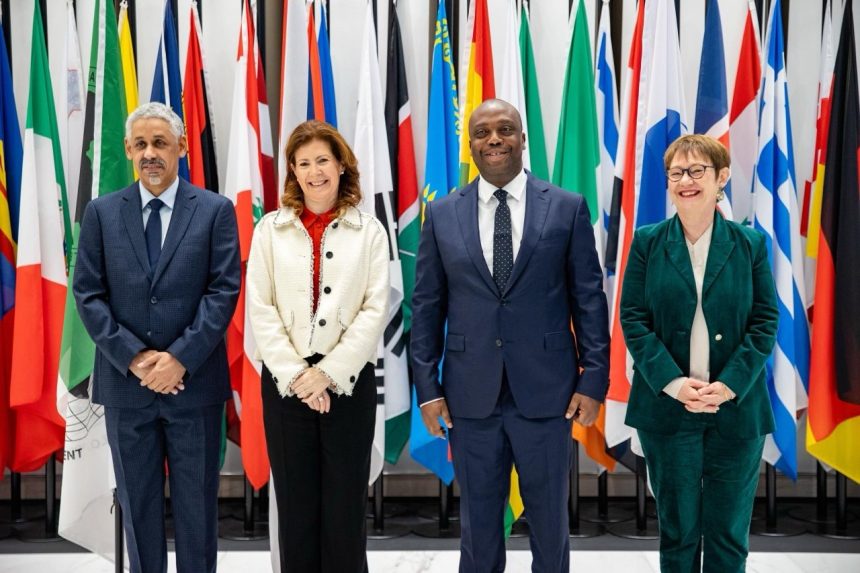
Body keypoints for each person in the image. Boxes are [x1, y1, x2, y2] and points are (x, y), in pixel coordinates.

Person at [411, 99, 610, 572]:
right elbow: (426, 307)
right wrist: (428, 389)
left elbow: (588, 300)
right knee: (478, 528)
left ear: (522, 138)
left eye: (504, 129)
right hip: (469, 394)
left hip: (548, 392)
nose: (494, 139)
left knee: (550, 524)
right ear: (471, 145)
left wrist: (593, 380)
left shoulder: (565, 207)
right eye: (482, 132)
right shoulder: (441, 214)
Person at [73, 102, 241, 573]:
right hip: (127, 388)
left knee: (197, 511)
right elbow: (88, 294)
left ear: (181, 147)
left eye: (160, 143)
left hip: (195, 387)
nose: (150, 153)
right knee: (138, 510)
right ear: (128, 149)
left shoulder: (215, 211)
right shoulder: (102, 213)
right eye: (141, 144)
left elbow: (223, 291)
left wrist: (179, 359)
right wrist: (135, 358)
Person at [620, 134, 779, 572]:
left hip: (736, 411)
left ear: (721, 177)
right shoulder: (647, 242)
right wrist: (673, 383)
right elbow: (633, 319)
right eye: (676, 173)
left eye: (696, 171)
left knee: (728, 534)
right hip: (668, 411)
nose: (685, 181)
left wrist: (728, 386)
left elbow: (765, 322)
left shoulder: (750, 245)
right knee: (678, 533)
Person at [246, 120, 389, 572]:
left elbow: (374, 310)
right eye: (304, 163)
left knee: (345, 510)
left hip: (348, 384)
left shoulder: (370, 231)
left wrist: (327, 373)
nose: (315, 172)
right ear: (292, 169)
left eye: (323, 160)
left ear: (341, 164)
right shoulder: (270, 229)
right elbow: (260, 309)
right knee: (295, 510)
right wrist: (298, 377)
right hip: (286, 387)